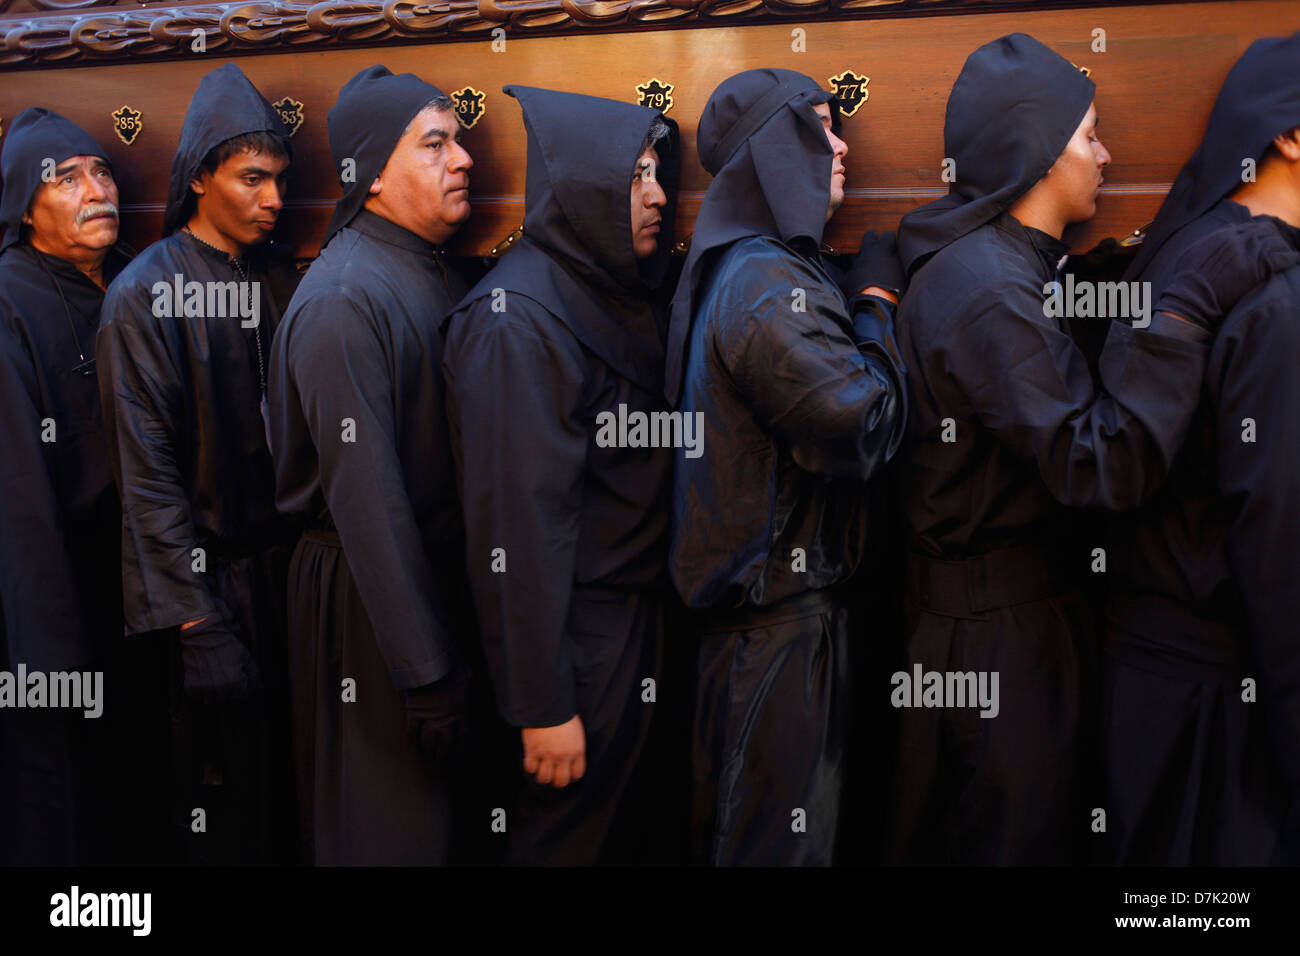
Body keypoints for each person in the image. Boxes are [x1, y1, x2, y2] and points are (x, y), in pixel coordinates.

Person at [886, 32, 1284, 866]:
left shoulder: (1003, 269)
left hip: (1015, 620)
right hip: (994, 642)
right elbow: (1102, 466)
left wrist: (1137, 270)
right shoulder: (987, 291)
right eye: (1089, 136)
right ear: (1037, 153)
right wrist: (1187, 306)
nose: (1105, 155)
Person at [663, 68, 907, 866]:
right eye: (822, 129)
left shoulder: (759, 266)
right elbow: (861, 425)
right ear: (774, 152)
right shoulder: (765, 281)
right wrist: (875, 305)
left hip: (781, 637)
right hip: (770, 645)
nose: (842, 148)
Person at [441, 85, 680, 865]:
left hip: (631, 622)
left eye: (658, 173)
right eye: (634, 176)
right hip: (575, 639)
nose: (657, 195)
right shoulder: (517, 318)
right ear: (580, 187)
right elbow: (517, 526)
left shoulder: (603, 283)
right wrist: (541, 704)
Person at [270, 65, 476, 866]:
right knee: (387, 836)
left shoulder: (428, 269)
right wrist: (424, 674)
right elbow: (370, 504)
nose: (463, 160)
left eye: (458, 140)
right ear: (373, 176)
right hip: (369, 608)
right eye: (435, 144)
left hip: (421, 594)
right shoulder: (343, 299)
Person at [96, 62, 301, 864]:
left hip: (287, 583)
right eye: (252, 179)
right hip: (211, 595)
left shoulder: (278, 276)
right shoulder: (144, 296)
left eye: (281, 180)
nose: (274, 200)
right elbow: (145, 476)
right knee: (221, 814)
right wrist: (194, 621)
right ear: (200, 179)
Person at [1105, 31, 1300, 865]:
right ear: (1291, 133)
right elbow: (1280, 555)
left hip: (1153, 696)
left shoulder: (1195, 252)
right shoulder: (1272, 296)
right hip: (1221, 719)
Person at [0, 108, 132, 865]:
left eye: (102, 171)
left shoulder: (127, 281)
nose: (97, 190)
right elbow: (19, 505)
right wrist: (52, 663)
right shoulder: (10, 303)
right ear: (25, 206)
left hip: (128, 603)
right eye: (67, 178)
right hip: (52, 612)